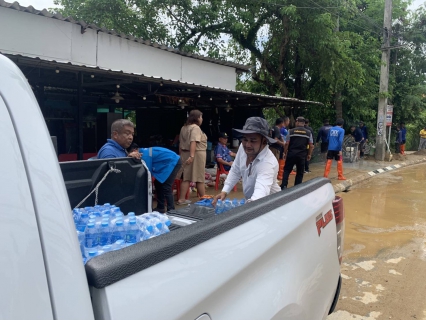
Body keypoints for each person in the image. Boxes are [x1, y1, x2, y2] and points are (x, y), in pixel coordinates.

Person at [212, 117, 280, 204]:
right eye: (245, 139)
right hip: (251, 202)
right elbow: (236, 169)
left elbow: (261, 190)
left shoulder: (268, 163)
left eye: (253, 141)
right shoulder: (243, 148)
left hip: (269, 204)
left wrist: (249, 207)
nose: (248, 145)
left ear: (264, 141)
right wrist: (225, 191)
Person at [138, 145, 182, 213]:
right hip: (167, 163)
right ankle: (160, 207)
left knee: (166, 186)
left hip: (173, 162)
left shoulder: (145, 155)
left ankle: (171, 210)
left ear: (134, 150)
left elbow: (148, 172)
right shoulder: (144, 151)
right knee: (158, 183)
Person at [178, 109, 207, 205]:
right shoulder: (195, 128)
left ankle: (182, 199)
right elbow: (193, 141)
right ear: (197, 118)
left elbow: (180, 143)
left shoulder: (184, 127)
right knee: (199, 178)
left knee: (186, 177)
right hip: (196, 154)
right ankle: (204, 198)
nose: (202, 119)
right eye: (201, 117)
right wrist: (192, 155)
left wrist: (182, 154)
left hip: (185, 153)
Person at [280, 117, 314, 190]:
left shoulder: (291, 131)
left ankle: (284, 186)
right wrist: (309, 154)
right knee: (300, 172)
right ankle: (297, 188)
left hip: (291, 154)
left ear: (297, 122)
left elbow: (287, 143)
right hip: (302, 156)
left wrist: (284, 152)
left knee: (286, 170)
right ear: (304, 123)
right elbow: (311, 145)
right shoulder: (308, 133)